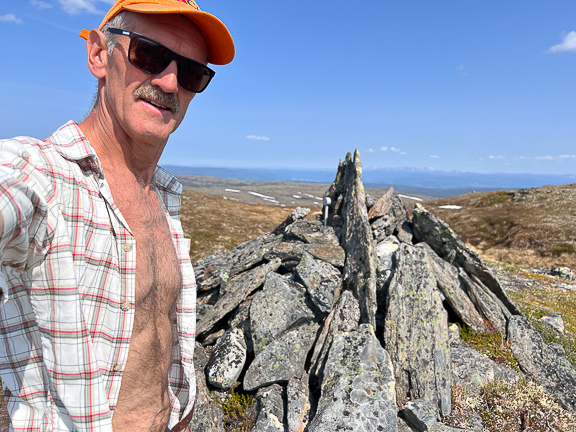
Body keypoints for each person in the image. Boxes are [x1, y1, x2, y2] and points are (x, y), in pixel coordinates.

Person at [0, 0, 234, 430]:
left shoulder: (161, 198)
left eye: (191, 73)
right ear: (98, 55)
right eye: (148, 54)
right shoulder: (42, 176)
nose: (169, 82)